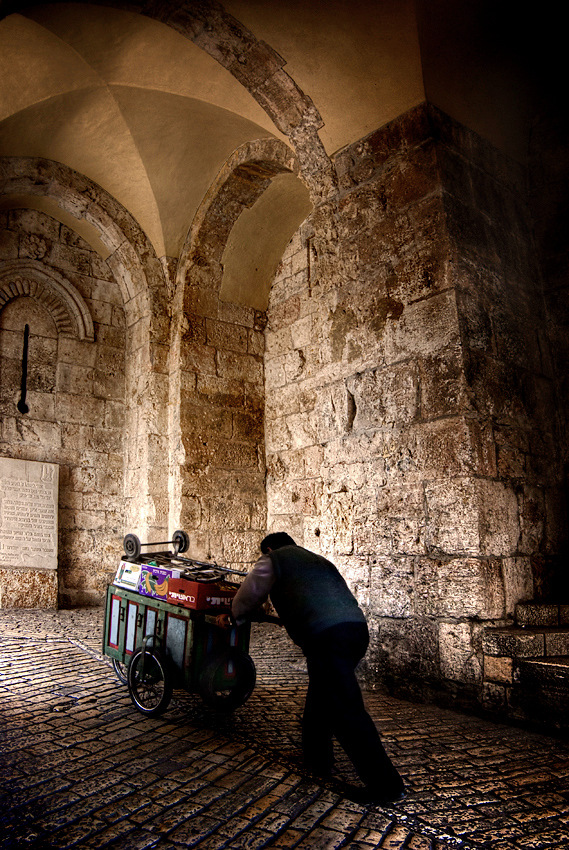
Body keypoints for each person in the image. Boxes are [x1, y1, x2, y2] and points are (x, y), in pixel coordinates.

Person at [229, 532, 405, 805]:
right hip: (355, 631)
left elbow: (246, 598)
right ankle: (316, 759)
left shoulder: (273, 559)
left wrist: (235, 615)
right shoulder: (318, 560)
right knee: (322, 694)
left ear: (270, 548)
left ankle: (386, 785)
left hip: (327, 637)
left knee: (345, 710)